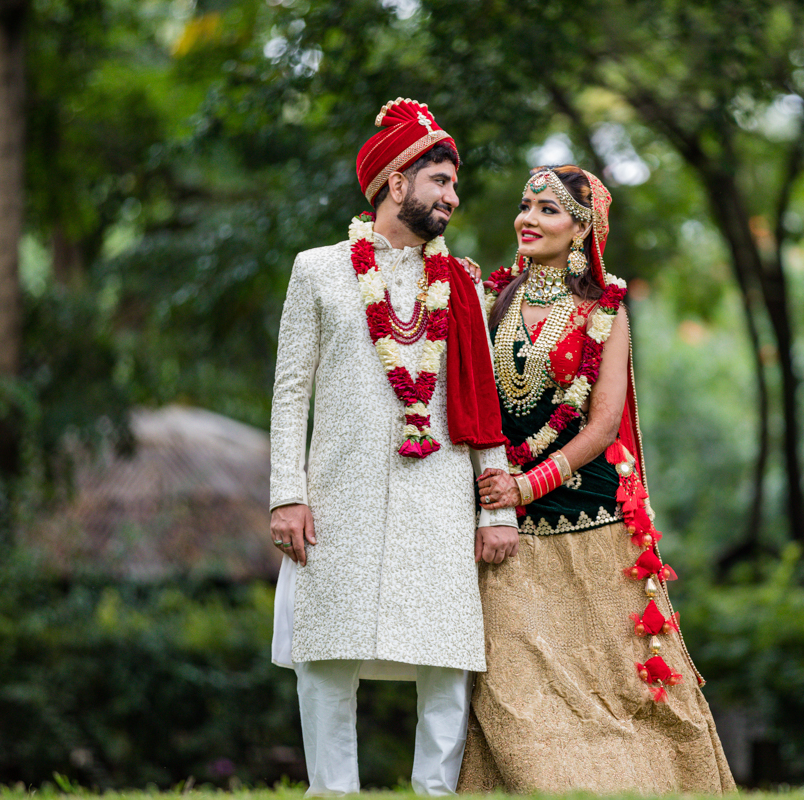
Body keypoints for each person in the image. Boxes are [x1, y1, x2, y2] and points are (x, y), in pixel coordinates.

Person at [268, 98, 519, 797]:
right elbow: (291, 392)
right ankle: (333, 793)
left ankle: (435, 792)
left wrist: (496, 509)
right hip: (337, 495)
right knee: (327, 656)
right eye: (441, 180)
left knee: (446, 658)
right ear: (396, 182)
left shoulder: (461, 283)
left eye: (454, 184)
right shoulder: (318, 270)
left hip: (438, 493)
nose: (453, 196)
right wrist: (287, 494)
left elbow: (482, 402)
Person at [458, 165, 736, 793]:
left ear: (581, 228)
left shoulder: (605, 310)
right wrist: (501, 490)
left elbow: (604, 424)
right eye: (525, 206)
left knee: (621, 684)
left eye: (547, 210)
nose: (527, 219)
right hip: (505, 529)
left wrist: (528, 484)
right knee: (514, 685)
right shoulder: (489, 297)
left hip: (591, 520)